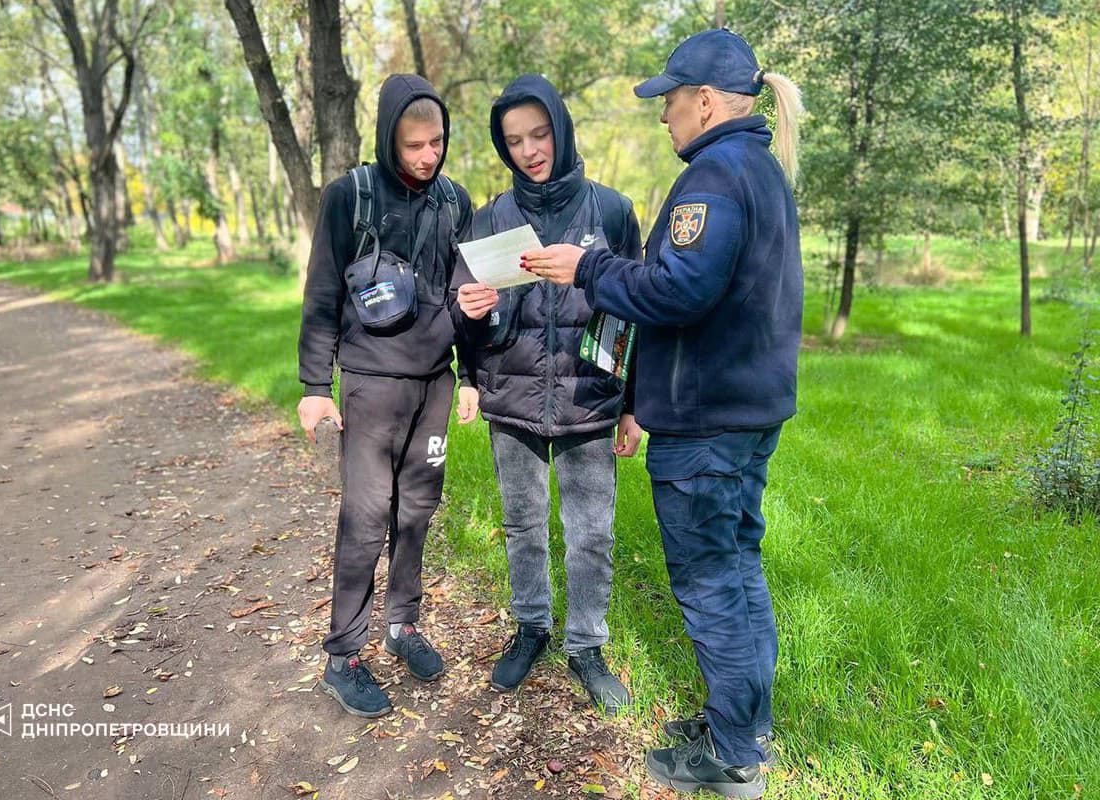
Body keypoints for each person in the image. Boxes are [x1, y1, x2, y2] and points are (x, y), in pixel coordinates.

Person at [521, 28, 804, 799]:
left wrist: (590, 267)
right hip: (744, 413)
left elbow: (677, 290)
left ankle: (735, 759)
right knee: (739, 569)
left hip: (709, 423)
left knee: (714, 580)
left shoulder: (714, 177)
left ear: (705, 102)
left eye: (670, 102)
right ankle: (742, 720)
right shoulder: (760, 170)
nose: (663, 117)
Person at [453, 74, 643, 715]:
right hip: (513, 403)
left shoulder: (611, 211)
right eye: (515, 141)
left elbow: (636, 311)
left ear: (560, 131)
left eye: (539, 134)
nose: (530, 150)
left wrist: (633, 405)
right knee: (523, 526)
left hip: (591, 400)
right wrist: (470, 325)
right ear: (503, 149)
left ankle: (587, 645)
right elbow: (465, 318)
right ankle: (530, 629)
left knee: (591, 532)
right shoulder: (489, 220)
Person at [297, 74, 473, 719]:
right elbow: (321, 295)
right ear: (387, 137)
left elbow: (465, 296)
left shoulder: (456, 201)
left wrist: (473, 369)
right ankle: (343, 654)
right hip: (371, 384)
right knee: (367, 517)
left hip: (434, 383)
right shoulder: (351, 197)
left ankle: (402, 626)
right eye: (414, 145)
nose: (428, 156)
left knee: (417, 511)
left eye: (438, 142)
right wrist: (317, 385)